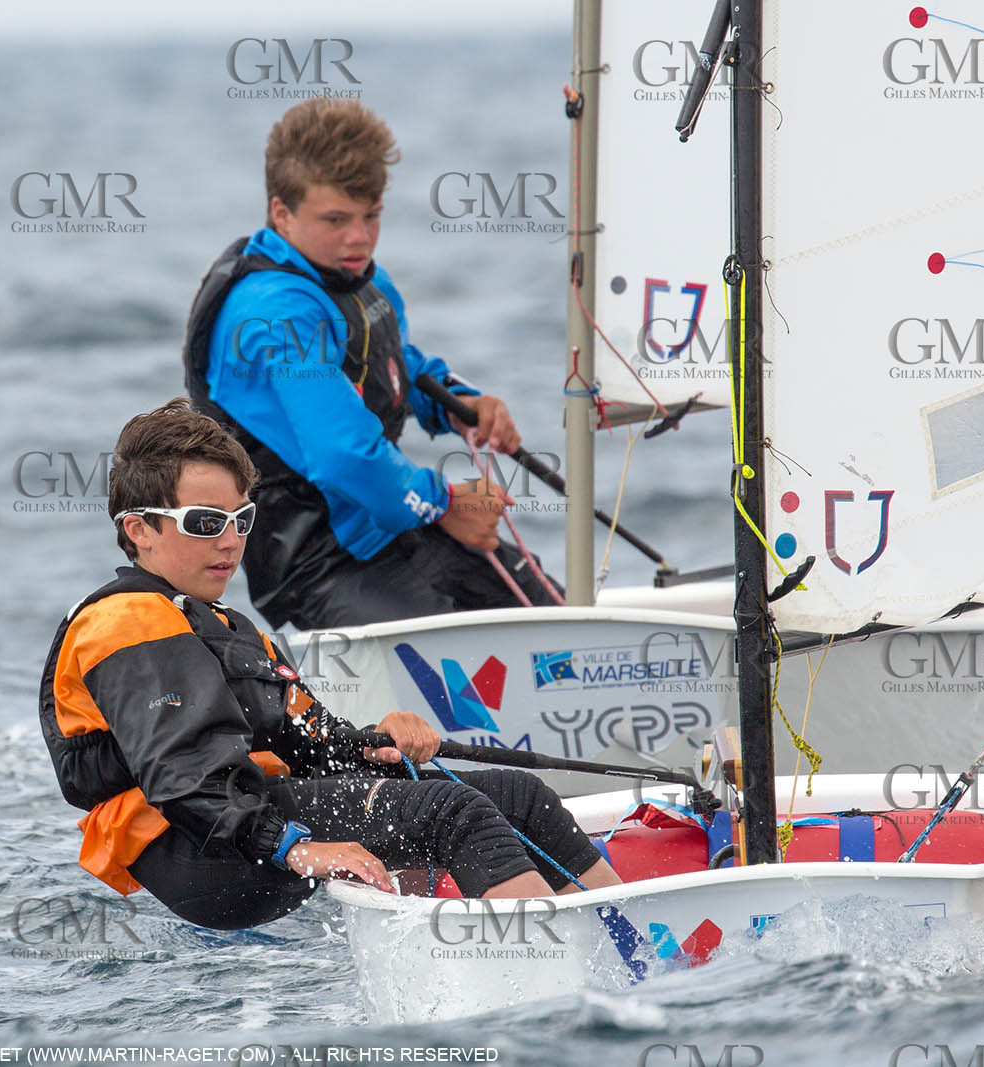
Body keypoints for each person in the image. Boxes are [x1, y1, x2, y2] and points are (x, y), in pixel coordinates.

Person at [37, 399, 618, 929]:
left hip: (250, 819)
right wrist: (295, 848)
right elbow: (185, 780)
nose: (231, 542)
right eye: (205, 523)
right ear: (138, 530)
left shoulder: (230, 628)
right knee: (455, 812)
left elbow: (313, 745)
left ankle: (633, 945)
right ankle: (549, 982)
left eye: (242, 520)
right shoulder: (127, 620)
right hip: (200, 848)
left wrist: (375, 742)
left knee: (519, 796)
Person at [181, 98, 558, 631]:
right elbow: (343, 456)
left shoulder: (357, 279)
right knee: (461, 682)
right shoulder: (273, 312)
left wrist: (456, 400)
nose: (359, 237)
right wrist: (446, 502)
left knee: (553, 618)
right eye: (335, 220)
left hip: (397, 525)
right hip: (321, 563)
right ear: (281, 213)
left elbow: (393, 364)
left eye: (371, 216)